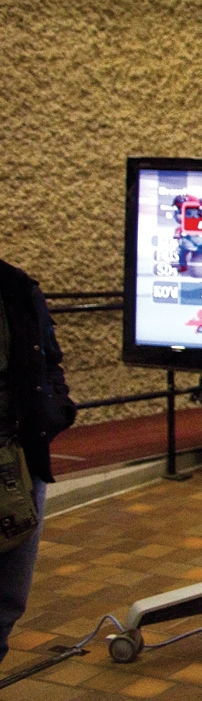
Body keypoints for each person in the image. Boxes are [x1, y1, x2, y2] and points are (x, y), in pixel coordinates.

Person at [0, 258, 75, 665]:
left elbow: (48, 361)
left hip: (19, 464)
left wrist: (54, 411)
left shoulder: (15, 287)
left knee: (7, 602)